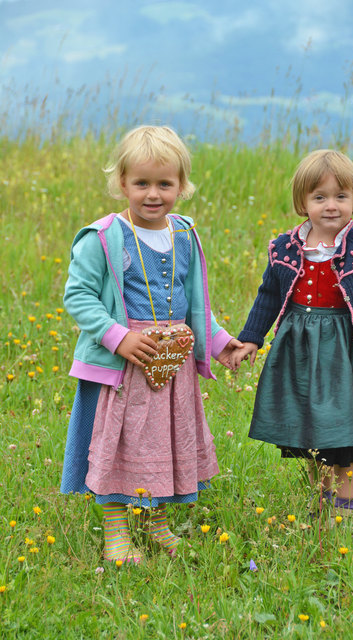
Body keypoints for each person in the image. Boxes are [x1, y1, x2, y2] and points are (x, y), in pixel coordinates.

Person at [61, 125, 242, 562]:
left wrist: (220, 343)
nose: (153, 194)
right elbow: (78, 295)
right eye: (141, 183)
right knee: (120, 441)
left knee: (163, 440)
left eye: (165, 183)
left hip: (172, 364)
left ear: (182, 185)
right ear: (121, 183)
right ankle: (116, 531)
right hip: (126, 362)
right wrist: (118, 338)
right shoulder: (104, 237)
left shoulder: (184, 234)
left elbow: (195, 304)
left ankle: (155, 521)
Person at [231, 149, 353, 520]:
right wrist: (251, 338)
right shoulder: (285, 249)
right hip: (300, 349)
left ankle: (346, 507)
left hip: (346, 352)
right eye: (319, 197)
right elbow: (269, 297)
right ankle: (323, 501)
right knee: (313, 428)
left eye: (341, 196)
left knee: (348, 430)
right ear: (302, 202)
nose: (331, 206)